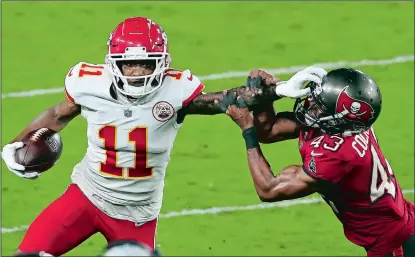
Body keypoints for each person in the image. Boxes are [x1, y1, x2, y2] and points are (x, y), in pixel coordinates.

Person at [1, 16, 309, 256]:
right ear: (113, 63)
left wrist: (279, 90)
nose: (136, 72)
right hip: (85, 196)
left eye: (145, 63)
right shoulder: (87, 84)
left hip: (137, 215)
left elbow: (229, 99)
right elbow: (57, 115)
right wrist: (19, 142)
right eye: (129, 63)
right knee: (26, 255)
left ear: (162, 62)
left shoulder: (176, 92)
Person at [224, 67, 415, 257]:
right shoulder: (339, 123)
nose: (310, 104)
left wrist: (247, 131)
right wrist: (266, 96)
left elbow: (268, 189)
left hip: (394, 243)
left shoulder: (338, 154)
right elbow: (269, 130)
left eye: (319, 105)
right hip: (399, 223)